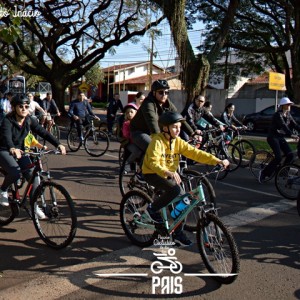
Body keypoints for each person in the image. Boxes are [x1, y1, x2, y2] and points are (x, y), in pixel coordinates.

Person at [142, 111, 229, 246]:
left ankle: (177, 233)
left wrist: (217, 160)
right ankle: (152, 208)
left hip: (168, 174)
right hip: (152, 173)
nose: (178, 130)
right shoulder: (157, 141)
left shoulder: (178, 142)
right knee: (175, 191)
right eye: (174, 127)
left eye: (179, 127)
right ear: (165, 128)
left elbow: (195, 153)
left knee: (185, 202)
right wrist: (167, 171)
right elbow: (153, 162)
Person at [0, 95, 66, 215]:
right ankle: (3, 190)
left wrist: (58, 144)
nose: (24, 109)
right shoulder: (7, 121)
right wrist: (12, 148)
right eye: (21, 106)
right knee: (15, 173)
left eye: (26, 106)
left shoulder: (30, 120)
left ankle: (34, 206)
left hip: (22, 151)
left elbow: (44, 132)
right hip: (5, 150)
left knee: (34, 177)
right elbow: (6, 137)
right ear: (14, 108)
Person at [258, 97, 300, 183]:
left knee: (290, 155)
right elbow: (283, 125)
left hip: (280, 138)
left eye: (290, 104)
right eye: (287, 104)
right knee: (278, 157)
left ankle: (283, 172)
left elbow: (295, 125)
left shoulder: (288, 114)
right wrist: (291, 135)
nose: (289, 106)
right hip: (273, 137)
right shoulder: (278, 115)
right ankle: (264, 173)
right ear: (283, 105)